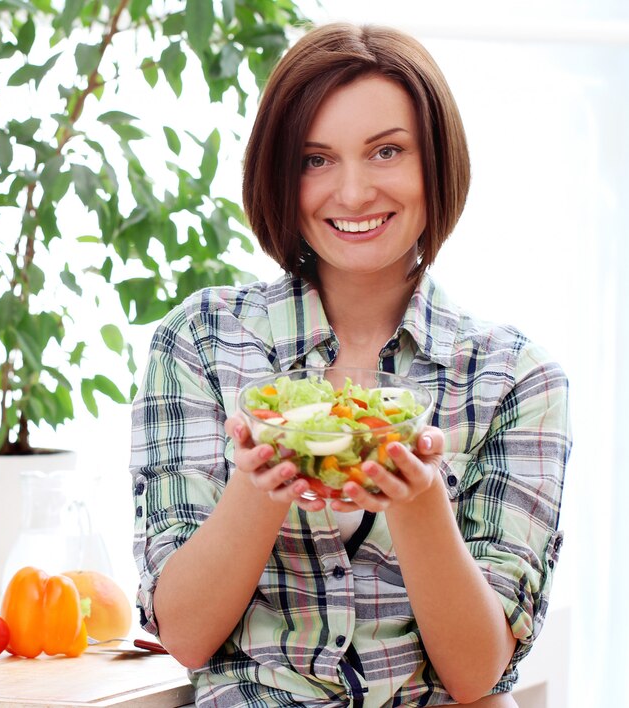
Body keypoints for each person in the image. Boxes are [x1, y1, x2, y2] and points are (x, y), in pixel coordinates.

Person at [130, 22, 570, 708]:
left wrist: (421, 501)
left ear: (435, 162)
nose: (355, 192)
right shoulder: (200, 342)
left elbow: (477, 671)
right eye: (315, 159)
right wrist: (259, 483)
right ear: (280, 173)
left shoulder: (517, 378)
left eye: (387, 151)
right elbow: (185, 634)